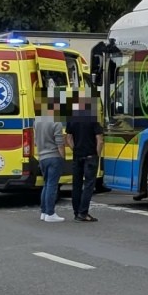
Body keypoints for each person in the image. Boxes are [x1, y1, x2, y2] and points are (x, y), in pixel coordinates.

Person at [66, 91, 105, 222]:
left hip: (77, 156)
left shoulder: (72, 119)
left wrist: (74, 149)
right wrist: (97, 154)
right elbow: (100, 139)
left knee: (76, 185)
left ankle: (76, 212)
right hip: (90, 156)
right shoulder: (93, 120)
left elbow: (69, 137)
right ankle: (83, 212)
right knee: (88, 185)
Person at [34, 95, 66, 222]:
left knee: (46, 185)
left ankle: (44, 212)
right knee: (52, 185)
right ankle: (50, 214)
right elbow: (60, 144)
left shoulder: (37, 121)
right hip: (53, 156)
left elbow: (36, 141)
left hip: (42, 157)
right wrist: (62, 158)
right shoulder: (56, 123)